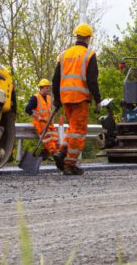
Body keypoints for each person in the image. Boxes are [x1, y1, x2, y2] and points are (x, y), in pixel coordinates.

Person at [52, 23, 102, 176]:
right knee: (79, 131)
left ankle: (62, 153)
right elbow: (92, 80)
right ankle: (69, 164)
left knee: (73, 129)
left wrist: (57, 99)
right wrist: (98, 100)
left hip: (66, 97)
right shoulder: (89, 55)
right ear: (88, 38)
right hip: (80, 98)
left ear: (77, 37)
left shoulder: (64, 54)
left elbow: (55, 79)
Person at [25, 78, 59, 157]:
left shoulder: (49, 98)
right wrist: (37, 117)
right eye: (46, 88)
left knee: (56, 139)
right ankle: (54, 155)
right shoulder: (35, 98)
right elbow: (27, 110)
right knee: (49, 141)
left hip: (48, 122)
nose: (48, 89)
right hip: (40, 123)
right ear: (41, 88)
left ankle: (43, 154)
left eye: (48, 87)